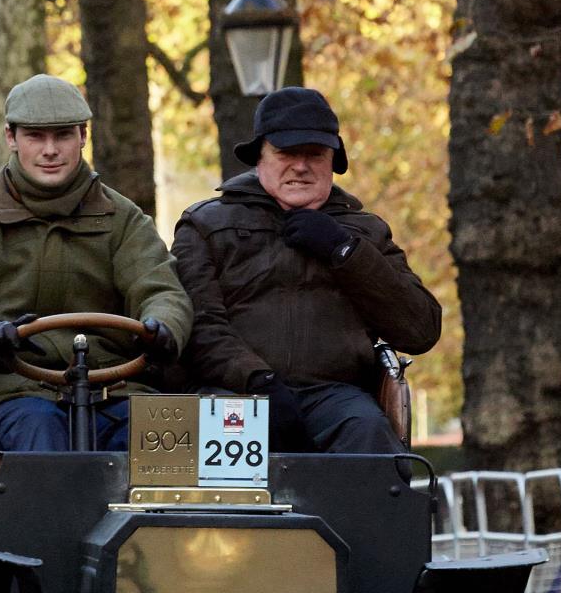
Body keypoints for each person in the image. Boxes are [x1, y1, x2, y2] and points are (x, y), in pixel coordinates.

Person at [0, 74, 194, 454]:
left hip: (118, 385)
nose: (50, 150)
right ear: (11, 138)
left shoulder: (123, 220)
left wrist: (164, 327)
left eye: (62, 136)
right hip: (14, 389)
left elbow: (160, 287)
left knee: (164, 445)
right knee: (41, 443)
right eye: (35, 137)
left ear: (83, 136)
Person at [171, 86, 442, 454]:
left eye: (314, 154)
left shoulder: (366, 232)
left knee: (369, 438)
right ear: (260, 157)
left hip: (335, 399)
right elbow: (197, 324)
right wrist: (258, 380)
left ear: (333, 160)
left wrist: (344, 250)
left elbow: (420, 329)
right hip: (232, 392)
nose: (300, 165)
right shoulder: (206, 225)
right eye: (286, 152)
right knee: (220, 441)